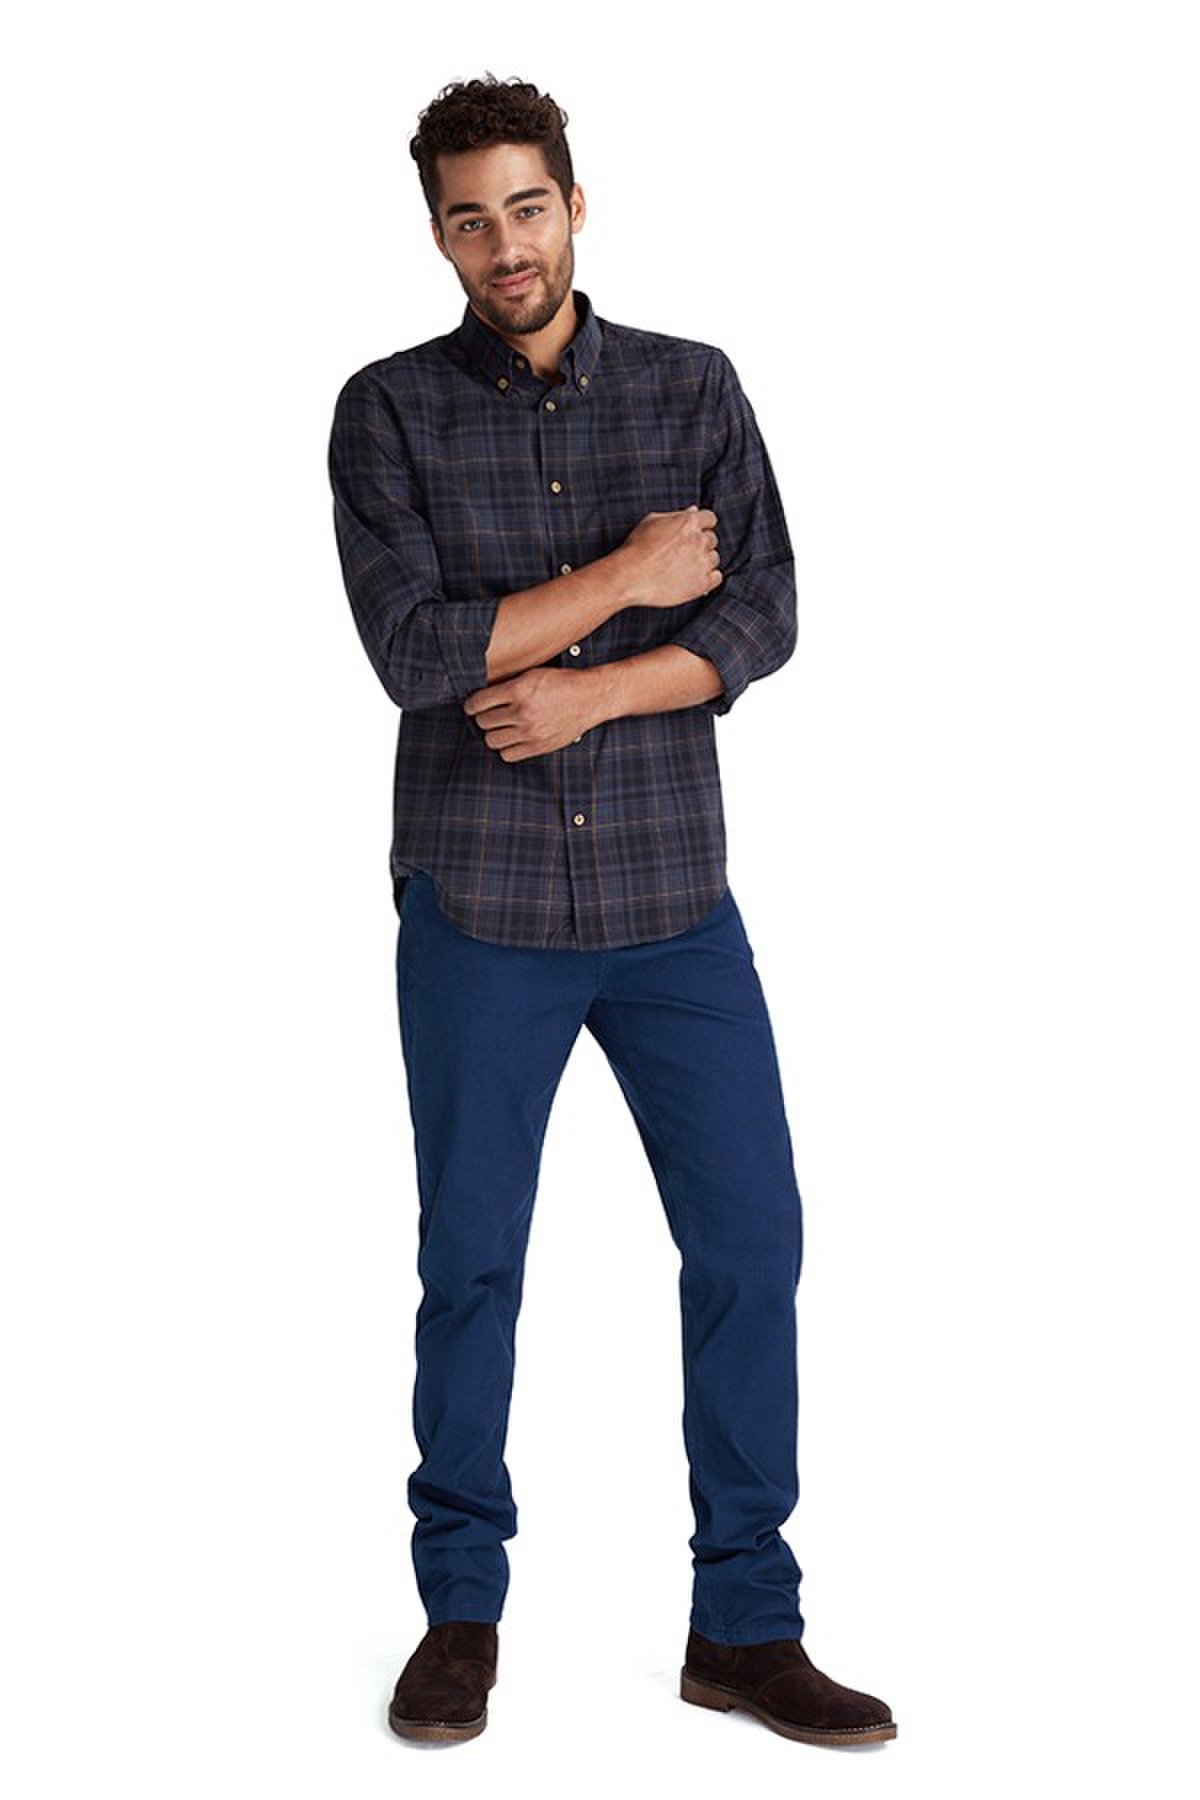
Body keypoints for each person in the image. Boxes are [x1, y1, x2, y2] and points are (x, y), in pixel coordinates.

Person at [327, 74, 896, 1750]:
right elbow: (414, 653)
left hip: (670, 898)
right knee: (474, 1262)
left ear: (575, 206)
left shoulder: (691, 385)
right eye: (468, 219)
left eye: (526, 206)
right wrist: (632, 580)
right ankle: (460, 1614)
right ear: (438, 236)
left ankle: (746, 1625)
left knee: (751, 1244)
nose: (503, 244)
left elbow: (766, 609)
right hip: (479, 900)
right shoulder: (387, 413)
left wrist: (595, 685)